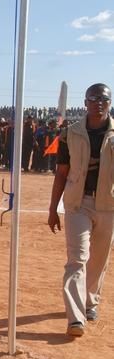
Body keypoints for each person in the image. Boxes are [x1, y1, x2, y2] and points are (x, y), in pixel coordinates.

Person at [48, 83, 114, 337]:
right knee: (77, 259)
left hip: (108, 205)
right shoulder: (70, 133)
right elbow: (61, 172)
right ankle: (75, 318)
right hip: (77, 203)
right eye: (94, 98)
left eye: (105, 99)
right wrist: (53, 208)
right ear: (85, 102)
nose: (99, 102)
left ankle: (90, 302)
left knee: (98, 260)